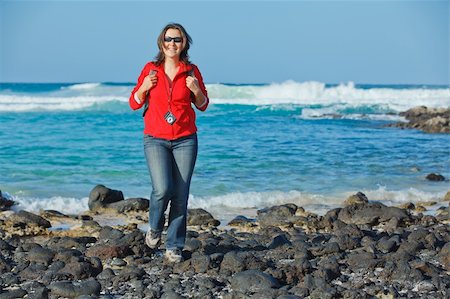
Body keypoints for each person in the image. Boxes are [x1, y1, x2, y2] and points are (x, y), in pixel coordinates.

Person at [129, 23, 209, 262]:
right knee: (162, 189)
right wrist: (144, 87)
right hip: (155, 139)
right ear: (161, 43)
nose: (172, 44)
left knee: (181, 195)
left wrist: (195, 90)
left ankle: (173, 245)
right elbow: (133, 103)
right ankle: (154, 227)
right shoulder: (150, 69)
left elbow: (203, 105)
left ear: (184, 43)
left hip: (185, 139)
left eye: (177, 39)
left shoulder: (192, 71)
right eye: (168, 39)